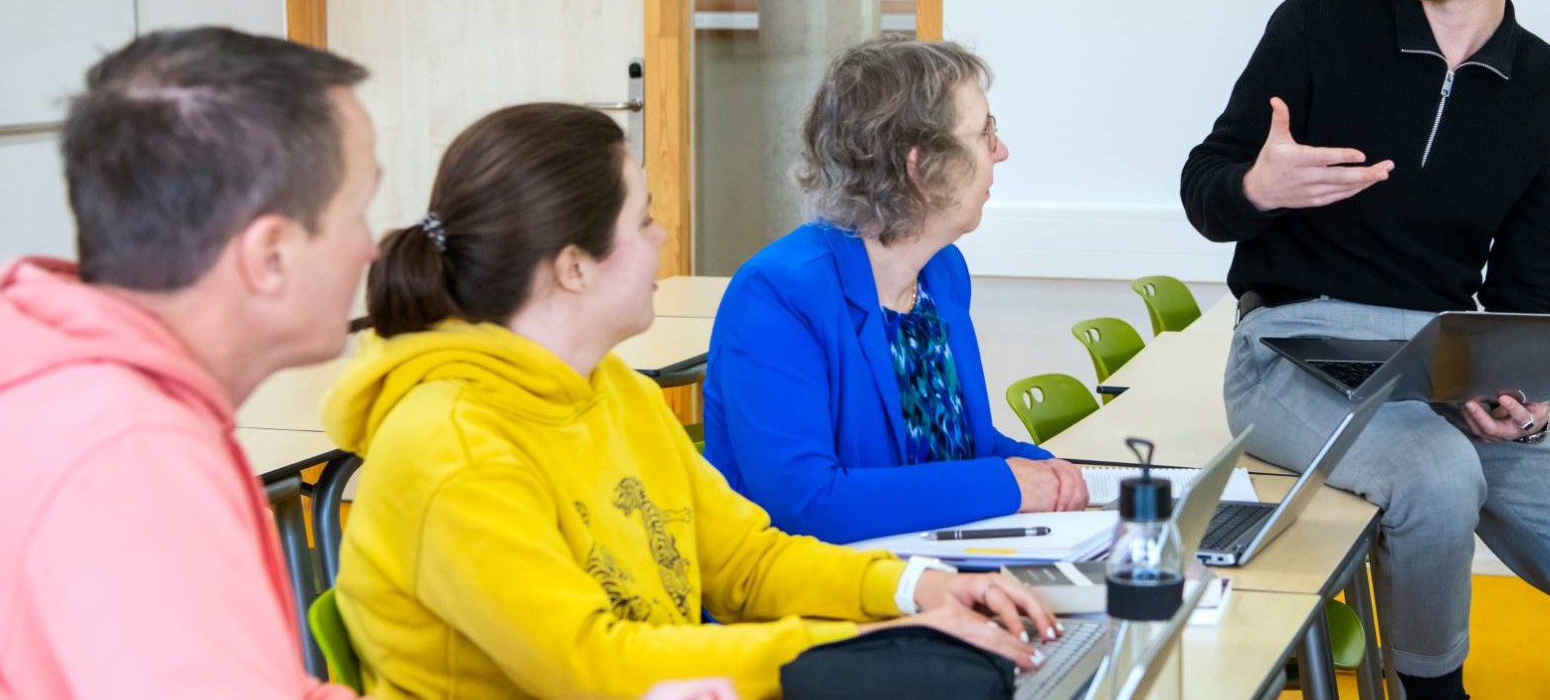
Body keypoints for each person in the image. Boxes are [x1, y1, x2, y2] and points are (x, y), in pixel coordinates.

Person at [323, 102, 1060, 700]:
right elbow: (596, 667)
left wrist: (915, 590)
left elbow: (744, 563)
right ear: (574, 267)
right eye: (643, 219)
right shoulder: (448, 449)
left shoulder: (611, 391)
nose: (664, 236)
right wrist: (864, 651)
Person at [1178, 0, 1550, 697]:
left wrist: (1527, 388)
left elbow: (1531, 286)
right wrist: (1257, 187)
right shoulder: (1318, 25)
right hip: (1287, 346)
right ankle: (1432, 689)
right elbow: (1207, 195)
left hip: (1450, 359)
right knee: (1438, 473)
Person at [0, 28, 375, 697]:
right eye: (360, 212)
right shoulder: (120, 457)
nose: (371, 250)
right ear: (270, 255)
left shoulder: (58, 377)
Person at [703, 38, 1089, 544]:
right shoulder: (777, 294)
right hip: (810, 604)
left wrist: (1054, 472)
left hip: (928, 573)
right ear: (922, 165)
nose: (1001, 150)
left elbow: (960, 446)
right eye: (985, 133)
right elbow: (808, 504)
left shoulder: (942, 271)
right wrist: (1009, 483)